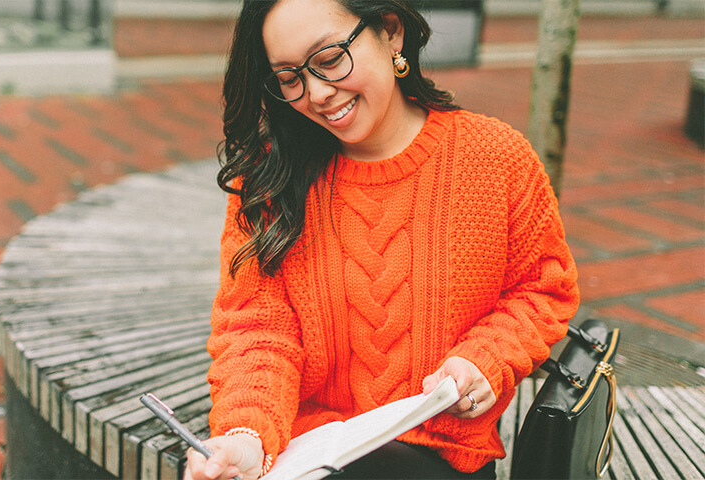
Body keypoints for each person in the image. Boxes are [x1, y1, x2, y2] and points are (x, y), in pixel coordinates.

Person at [184, 0, 580, 478]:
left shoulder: (495, 158)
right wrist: (246, 435)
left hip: (440, 452)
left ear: (390, 32)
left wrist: (485, 360)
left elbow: (541, 288)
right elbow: (257, 330)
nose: (316, 93)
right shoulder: (271, 177)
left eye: (329, 60)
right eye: (289, 78)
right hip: (306, 454)